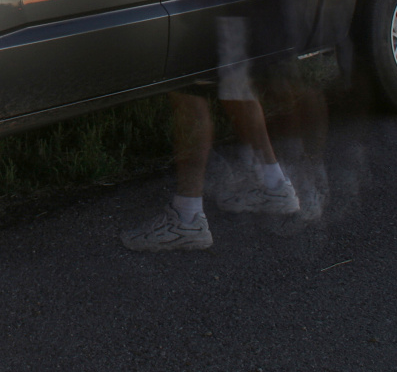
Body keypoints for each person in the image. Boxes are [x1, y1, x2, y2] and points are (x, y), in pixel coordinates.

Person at [120, 17, 301, 251]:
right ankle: (274, 185)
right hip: (232, 4)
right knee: (235, 85)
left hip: (209, 4)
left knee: (189, 93)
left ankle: (187, 218)